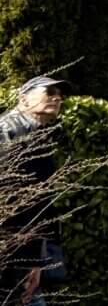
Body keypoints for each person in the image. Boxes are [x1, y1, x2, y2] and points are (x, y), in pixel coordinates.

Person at [0, 76, 70, 306]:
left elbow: (39, 202)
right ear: (24, 98)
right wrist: (31, 259)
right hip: (11, 253)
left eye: (60, 94)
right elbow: (16, 198)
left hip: (22, 253)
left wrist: (37, 259)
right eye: (49, 91)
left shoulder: (37, 135)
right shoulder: (9, 132)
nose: (57, 97)